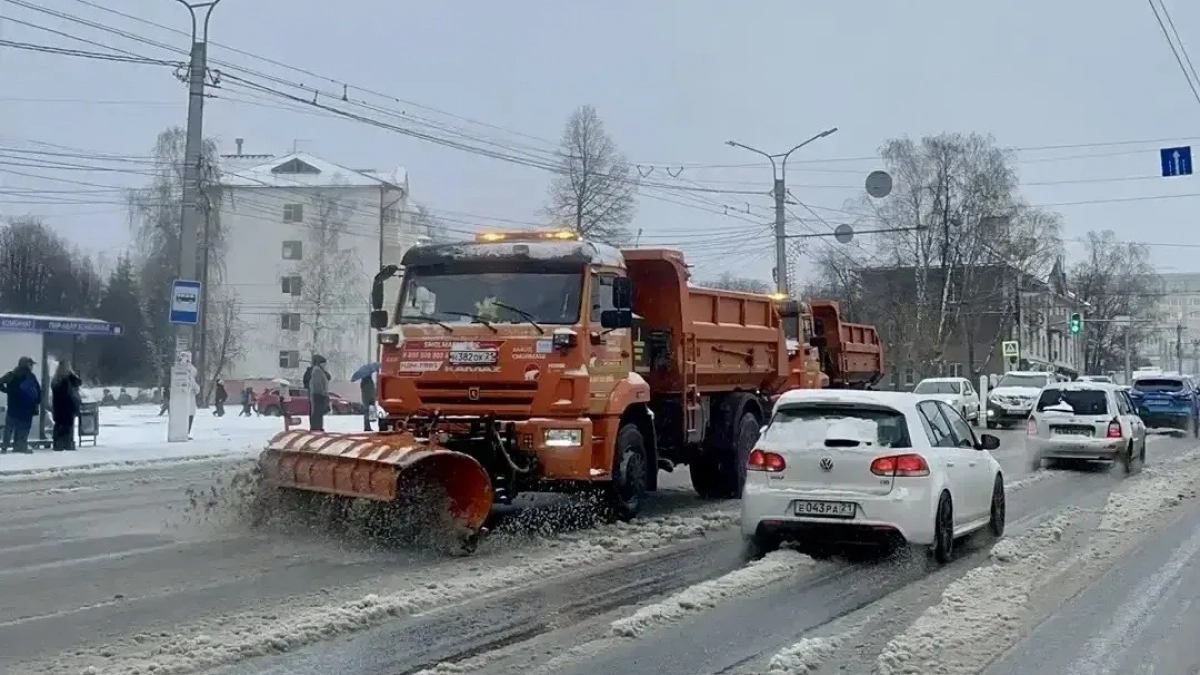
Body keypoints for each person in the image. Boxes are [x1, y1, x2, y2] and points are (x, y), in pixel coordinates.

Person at [0, 356, 41, 454]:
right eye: (30, 364)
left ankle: (5, 447)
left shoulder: (12, 375)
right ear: (26, 365)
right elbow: (38, 391)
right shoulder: (31, 376)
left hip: (13, 406)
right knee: (23, 428)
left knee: (9, 428)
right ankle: (20, 446)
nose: (32, 367)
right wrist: (37, 401)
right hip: (26, 408)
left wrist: (7, 390)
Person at [50, 360, 83, 451]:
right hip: (67, 407)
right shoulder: (65, 380)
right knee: (66, 425)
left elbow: (78, 382)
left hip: (59, 407)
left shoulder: (56, 380)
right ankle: (66, 443)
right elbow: (78, 383)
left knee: (60, 425)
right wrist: (71, 374)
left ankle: (59, 443)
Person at [306, 354, 331, 432]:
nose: (325, 365)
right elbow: (317, 384)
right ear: (320, 363)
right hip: (318, 394)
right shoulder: (317, 371)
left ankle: (318, 426)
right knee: (317, 411)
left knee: (319, 412)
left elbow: (328, 378)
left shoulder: (320, 370)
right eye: (324, 363)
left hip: (319, 394)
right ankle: (316, 427)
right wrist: (322, 393)